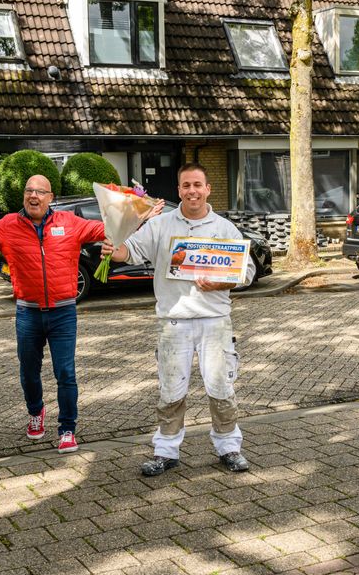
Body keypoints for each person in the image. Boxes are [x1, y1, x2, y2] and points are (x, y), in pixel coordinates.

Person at [103, 163, 255, 477]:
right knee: (171, 391)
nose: (192, 191)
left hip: (215, 320)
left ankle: (229, 447)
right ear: (179, 189)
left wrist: (220, 283)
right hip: (173, 321)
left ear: (208, 188)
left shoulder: (224, 228)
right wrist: (112, 248)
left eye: (198, 184)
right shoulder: (160, 225)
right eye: (186, 185)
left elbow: (247, 273)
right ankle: (166, 452)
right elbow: (129, 252)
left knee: (221, 388)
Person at [0, 175, 108, 453]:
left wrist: (139, 214)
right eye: (29, 190)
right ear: (23, 196)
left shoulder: (70, 223)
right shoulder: (8, 225)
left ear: (50, 197)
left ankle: (67, 429)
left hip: (63, 312)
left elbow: (109, 228)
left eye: (40, 192)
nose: (34, 196)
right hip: (28, 314)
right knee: (29, 371)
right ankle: (35, 412)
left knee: (65, 373)